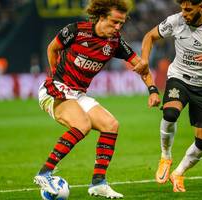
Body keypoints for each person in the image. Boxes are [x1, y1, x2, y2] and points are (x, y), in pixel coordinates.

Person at [34, 0, 161, 198]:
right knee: (82, 124)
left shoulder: (115, 42)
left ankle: (98, 183)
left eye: (121, 23)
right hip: (55, 88)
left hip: (78, 94)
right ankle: (44, 173)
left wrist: (152, 89)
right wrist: (55, 77)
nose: (118, 27)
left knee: (111, 124)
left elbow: (141, 66)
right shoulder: (76, 31)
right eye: (114, 22)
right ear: (102, 17)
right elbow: (52, 48)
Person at [141, 0, 202, 192]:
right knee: (170, 114)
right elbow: (149, 36)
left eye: (189, 10)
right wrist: (144, 60)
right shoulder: (175, 21)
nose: (184, 14)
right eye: (183, 9)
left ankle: (178, 173)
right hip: (179, 78)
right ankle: (165, 157)